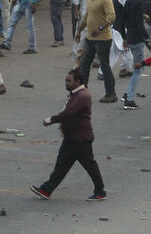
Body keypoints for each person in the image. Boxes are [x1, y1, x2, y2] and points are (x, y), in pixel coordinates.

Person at [30, 68, 107, 201]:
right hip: (72, 138)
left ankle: (100, 191)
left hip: (80, 138)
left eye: (69, 81)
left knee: (89, 165)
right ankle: (46, 190)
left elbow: (69, 113)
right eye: (66, 80)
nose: (66, 83)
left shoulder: (82, 95)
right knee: (62, 165)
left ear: (78, 81)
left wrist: (51, 120)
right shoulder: (76, 94)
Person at [77, 0, 118, 103]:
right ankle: (82, 93)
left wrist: (99, 29)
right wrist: (78, 31)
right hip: (90, 38)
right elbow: (86, 17)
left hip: (103, 39)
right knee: (84, 65)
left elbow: (111, 17)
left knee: (105, 66)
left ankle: (111, 94)